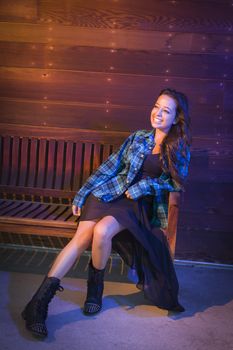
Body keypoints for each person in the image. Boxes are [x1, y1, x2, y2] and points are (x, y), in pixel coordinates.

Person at [22, 87, 191, 338]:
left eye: (166, 110)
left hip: (136, 205)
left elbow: (176, 183)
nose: (157, 113)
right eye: (156, 106)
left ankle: (94, 289)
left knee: (102, 232)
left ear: (177, 117)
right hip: (107, 193)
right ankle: (37, 304)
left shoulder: (177, 148)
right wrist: (82, 193)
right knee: (80, 239)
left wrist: (146, 185)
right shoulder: (137, 138)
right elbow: (109, 168)